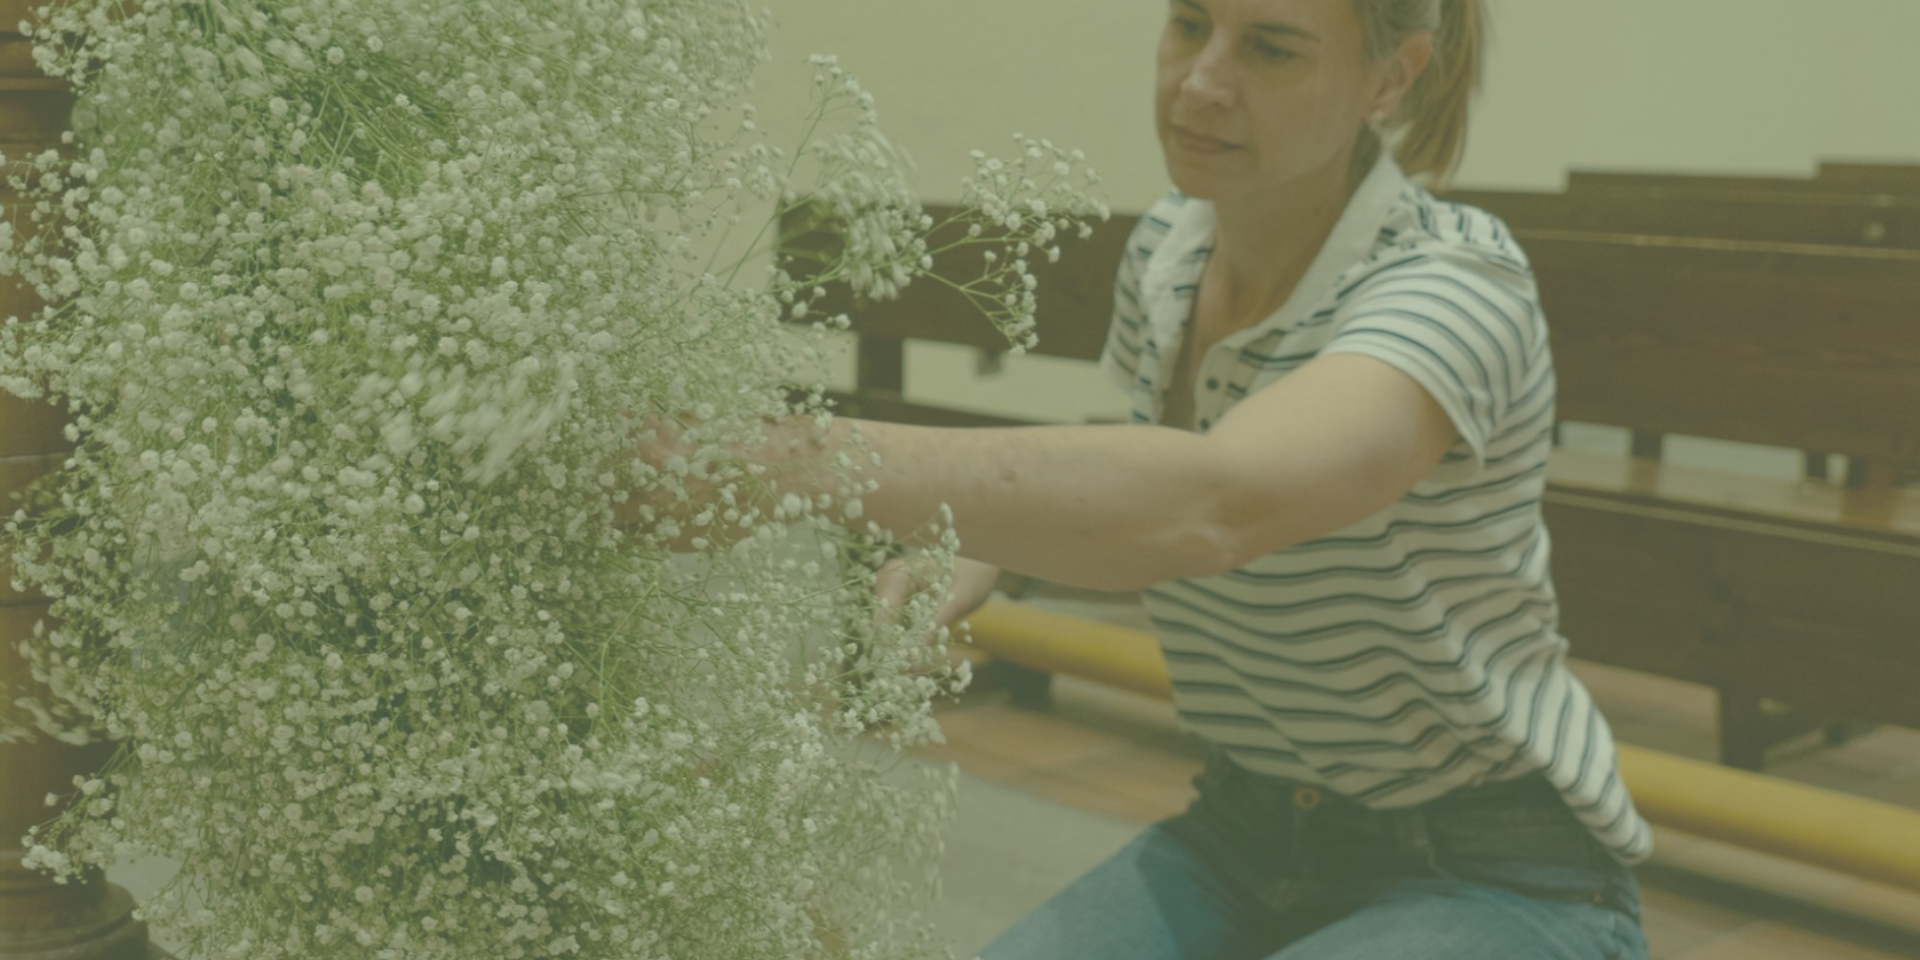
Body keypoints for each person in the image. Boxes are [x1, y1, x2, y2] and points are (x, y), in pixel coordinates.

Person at [652, 0, 1654, 956]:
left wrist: (782, 458)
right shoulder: (1171, 253)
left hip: (1493, 868)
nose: (1201, 81)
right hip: (1243, 827)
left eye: (1271, 48)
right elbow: (1151, 482)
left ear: (1390, 78)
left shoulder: (1457, 285)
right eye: (1188, 23)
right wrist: (992, 554)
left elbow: (1215, 506)